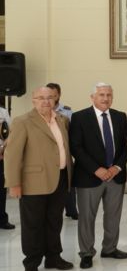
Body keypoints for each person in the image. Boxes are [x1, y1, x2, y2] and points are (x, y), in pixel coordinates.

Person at [4, 87, 74, 271]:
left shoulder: (62, 121)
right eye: (41, 98)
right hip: (32, 182)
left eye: (50, 98)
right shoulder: (22, 122)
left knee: (54, 221)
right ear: (33, 101)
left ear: (56, 99)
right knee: (33, 224)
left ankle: (53, 257)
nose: (46, 101)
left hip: (59, 179)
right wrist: (14, 183)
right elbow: (12, 155)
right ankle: (31, 263)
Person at [69, 82, 127, 269]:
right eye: (101, 94)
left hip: (115, 176)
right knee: (87, 217)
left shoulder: (120, 117)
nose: (106, 98)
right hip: (89, 177)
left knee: (113, 215)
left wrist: (117, 168)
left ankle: (109, 248)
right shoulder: (79, 117)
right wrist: (97, 169)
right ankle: (86, 253)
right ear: (92, 97)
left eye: (109, 95)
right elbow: (76, 147)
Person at [47, 83, 77, 220]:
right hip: (46, 153)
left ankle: (71, 209)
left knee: (67, 181)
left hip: (64, 151)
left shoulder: (67, 112)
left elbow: (71, 132)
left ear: (59, 95)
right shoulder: (40, 110)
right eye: (48, 95)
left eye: (54, 95)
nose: (51, 98)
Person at [0, 105, 15, 230]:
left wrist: (3, 148)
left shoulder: (3, 112)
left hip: (0, 155)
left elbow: (10, 132)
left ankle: (2, 219)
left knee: (1, 189)